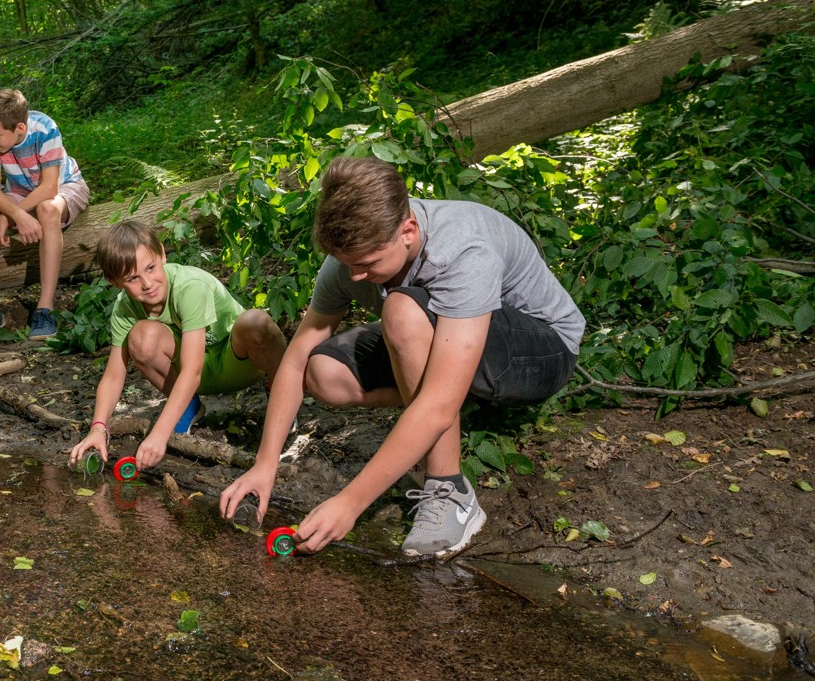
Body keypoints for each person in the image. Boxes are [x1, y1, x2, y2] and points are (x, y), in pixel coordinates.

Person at [218, 155, 585, 558]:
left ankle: (450, 492)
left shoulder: (462, 250)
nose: (355, 276)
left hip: (543, 351)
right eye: (347, 264)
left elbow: (438, 404)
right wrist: (265, 464)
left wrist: (349, 503)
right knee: (322, 372)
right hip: (456, 335)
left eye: (367, 264)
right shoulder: (350, 261)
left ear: (407, 230)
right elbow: (293, 360)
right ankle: (450, 397)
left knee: (403, 313)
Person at [68, 219, 287, 471]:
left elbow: (192, 371)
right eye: (132, 278)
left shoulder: (189, 286)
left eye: (151, 268)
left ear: (162, 253)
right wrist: (98, 428)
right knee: (140, 336)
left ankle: (280, 390)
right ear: (114, 281)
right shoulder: (124, 307)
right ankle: (189, 407)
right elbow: (114, 375)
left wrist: (159, 435)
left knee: (255, 321)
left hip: (238, 363)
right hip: (190, 376)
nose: (147, 283)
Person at [0, 88, 90, 342]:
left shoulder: (45, 129)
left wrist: (14, 215)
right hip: (19, 192)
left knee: (47, 209)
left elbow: (49, 188)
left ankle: (45, 309)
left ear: (19, 127)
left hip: (65, 186)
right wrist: (13, 214)